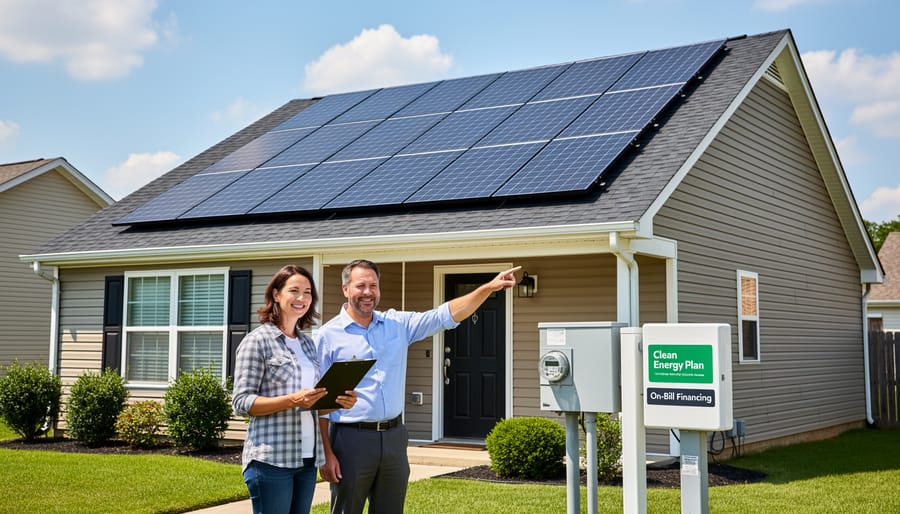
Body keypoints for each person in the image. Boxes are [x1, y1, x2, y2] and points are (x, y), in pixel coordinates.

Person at [317, 259, 520, 513]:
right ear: (345, 289)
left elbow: (444, 315)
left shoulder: (397, 325)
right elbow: (320, 403)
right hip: (350, 439)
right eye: (360, 286)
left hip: (394, 437)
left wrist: (488, 288)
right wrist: (326, 453)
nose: (368, 292)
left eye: (373, 285)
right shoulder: (327, 336)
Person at [232, 265, 358, 514]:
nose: (302, 298)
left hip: (307, 458)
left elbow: (314, 404)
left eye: (308, 292)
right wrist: (292, 400)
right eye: (294, 291)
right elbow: (242, 402)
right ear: (276, 295)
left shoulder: (308, 344)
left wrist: (338, 401)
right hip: (271, 459)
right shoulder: (257, 341)